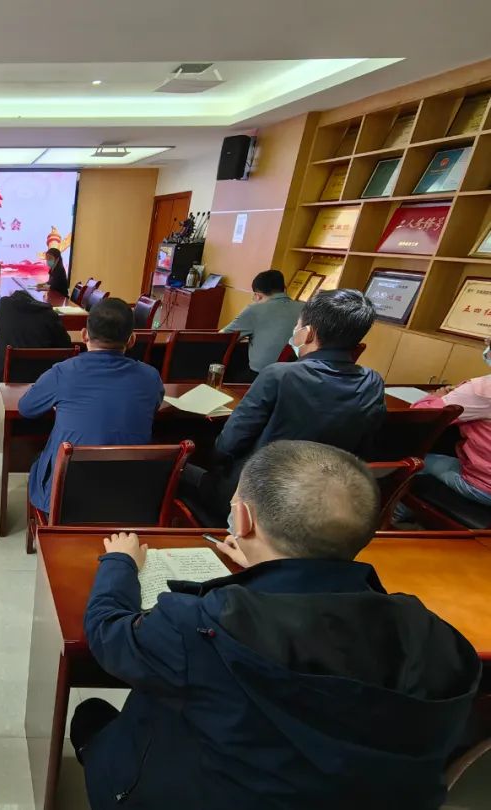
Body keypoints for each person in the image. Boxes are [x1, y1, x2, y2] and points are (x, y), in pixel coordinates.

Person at [72, 440, 479, 810]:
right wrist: (265, 563)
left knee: (92, 716)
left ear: (242, 518)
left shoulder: (198, 624)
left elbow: (108, 633)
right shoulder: (437, 638)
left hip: (209, 792)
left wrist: (119, 563)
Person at [183, 289, 385, 521]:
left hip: (255, 497)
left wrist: (214, 461)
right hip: (322, 501)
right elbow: (364, 449)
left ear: (308, 333)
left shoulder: (279, 375)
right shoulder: (373, 382)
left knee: (178, 469)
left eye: (297, 324)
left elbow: (228, 444)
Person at [19, 297, 163, 513]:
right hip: (130, 498)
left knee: (38, 459)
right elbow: (152, 406)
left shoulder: (63, 372)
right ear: (132, 340)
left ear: (84, 335)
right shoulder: (151, 377)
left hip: (65, 500)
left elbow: (26, 408)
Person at [400, 337, 491, 514]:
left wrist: (437, 396)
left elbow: (421, 416)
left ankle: (394, 517)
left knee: (412, 463)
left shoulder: (482, 390)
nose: (486, 342)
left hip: (484, 486)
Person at [220, 268, 304, 378]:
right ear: (285, 289)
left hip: (261, 376)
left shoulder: (255, 309)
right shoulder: (305, 308)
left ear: (258, 295)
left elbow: (222, 338)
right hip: (296, 375)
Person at [0, 288, 73, 384]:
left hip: (7, 378)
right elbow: (66, 345)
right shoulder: (50, 314)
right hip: (44, 380)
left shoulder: (3, 306)